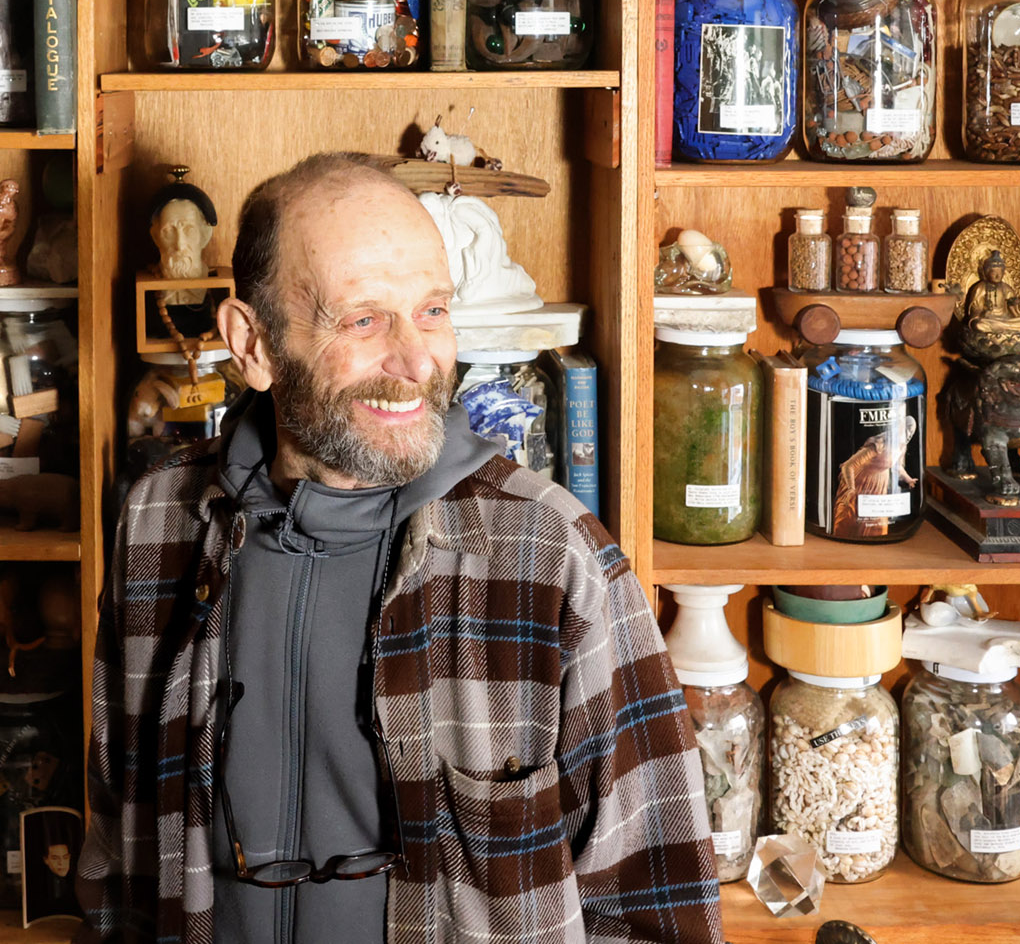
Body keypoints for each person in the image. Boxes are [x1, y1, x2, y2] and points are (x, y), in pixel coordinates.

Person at [78, 151, 720, 944]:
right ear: (253, 344)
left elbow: (660, 904)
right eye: (363, 319)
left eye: (433, 311)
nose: (417, 362)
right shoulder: (155, 524)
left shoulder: (549, 555)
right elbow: (118, 851)